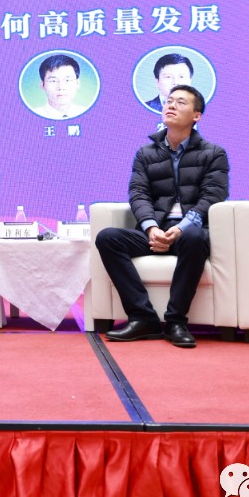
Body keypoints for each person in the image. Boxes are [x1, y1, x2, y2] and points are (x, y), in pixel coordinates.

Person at [95, 85, 229, 348]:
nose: (171, 105)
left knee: (194, 238)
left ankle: (176, 321)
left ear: (197, 115)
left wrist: (181, 228)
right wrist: (151, 228)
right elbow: (138, 193)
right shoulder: (146, 154)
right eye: (169, 101)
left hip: (190, 231)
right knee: (108, 238)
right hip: (156, 230)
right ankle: (143, 317)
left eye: (181, 102)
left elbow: (213, 196)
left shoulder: (214, 153)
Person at [31, 54, 85, 120]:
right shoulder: (32, 116)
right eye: (53, 81)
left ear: (77, 83)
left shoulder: (88, 114)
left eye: (67, 80)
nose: (61, 87)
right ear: (43, 85)